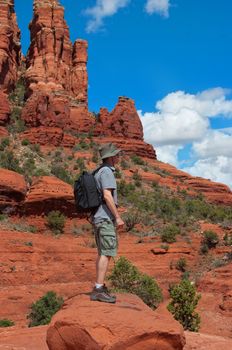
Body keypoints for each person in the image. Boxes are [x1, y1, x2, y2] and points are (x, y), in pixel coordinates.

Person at [90, 143, 124, 303]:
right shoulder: (107, 172)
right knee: (107, 252)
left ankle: (100, 286)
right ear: (111, 157)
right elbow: (107, 195)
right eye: (117, 155)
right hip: (105, 217)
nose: (119, 157)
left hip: (98, 217)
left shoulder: (98, 171)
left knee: (103, 252)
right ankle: (98, 289)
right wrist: (117, 217)